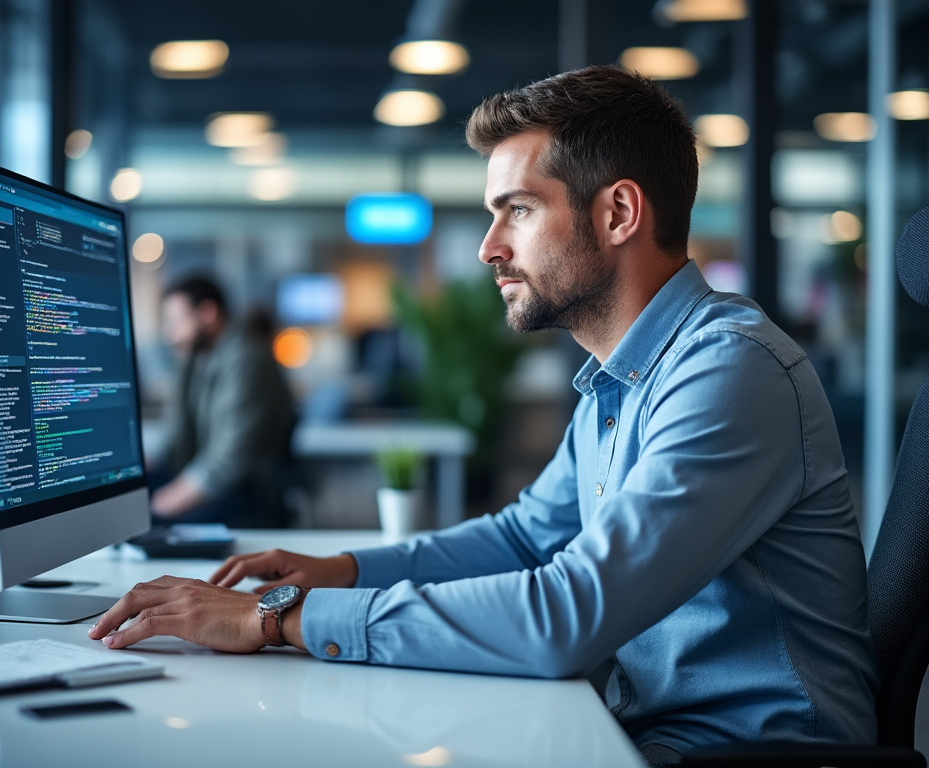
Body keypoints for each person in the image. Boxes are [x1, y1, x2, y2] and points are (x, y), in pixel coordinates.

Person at [90, 66, 878, 763]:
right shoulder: (622, 379)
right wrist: (340, 572)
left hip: (743, 754)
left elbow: (568, 612)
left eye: (518, 210)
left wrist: (279, 616)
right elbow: (524, 538)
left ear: (618, 213)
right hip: (640, 731)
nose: (488, 247)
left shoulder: (728, 371)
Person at [149, 276, 296, 528]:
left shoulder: (247, 359)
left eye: (175, 322)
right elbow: (175, 436)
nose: (170, 334)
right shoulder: (200, 356)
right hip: (218, 479)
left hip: (248, 494)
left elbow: (232, 458)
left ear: (207, 313)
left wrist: (164, 503)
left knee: (149, 520)